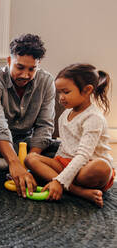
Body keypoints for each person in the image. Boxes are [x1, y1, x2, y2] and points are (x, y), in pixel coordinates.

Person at [0, 33, 60, 209]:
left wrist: (30, 161)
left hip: (25, 142)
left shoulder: (46, 82)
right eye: (20, 67)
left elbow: (45, 125)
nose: (25, 74)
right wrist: (15, 163)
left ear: (38, 65)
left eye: (32, 69)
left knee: (60, 148)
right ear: (9, 60)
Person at [25, 63, 114, 208]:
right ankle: (78, 191)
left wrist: (58, 180)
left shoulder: (93, 118)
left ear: (87, 90)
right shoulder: (65, 114)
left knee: (102, 167)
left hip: (87, 168)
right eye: (59, 92)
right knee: (30, 158)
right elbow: (64, 145)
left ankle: (63, 184)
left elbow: (83, 156)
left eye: (66, 92)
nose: (61, 98)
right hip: (65, 162)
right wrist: (55, 171)